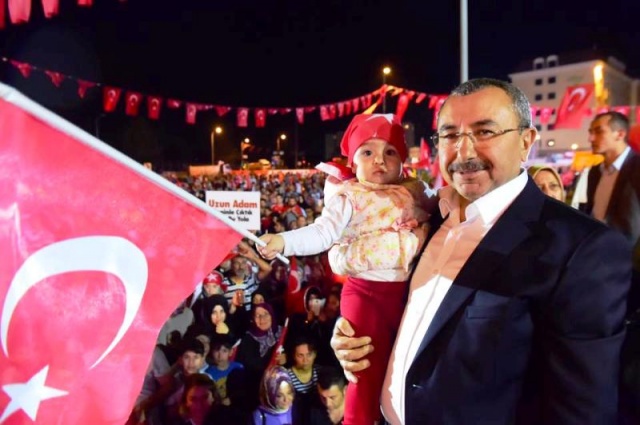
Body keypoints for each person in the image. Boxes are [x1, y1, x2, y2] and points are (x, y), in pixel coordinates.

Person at [331, 78, 632, 425]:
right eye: (450, 135)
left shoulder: (580, 248)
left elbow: (582, 411)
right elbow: (413, 317)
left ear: (525, 142)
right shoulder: (422, 220)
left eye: (484, 132)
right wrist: (354, 338)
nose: (464, 151)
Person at [258, 113, 433, 425]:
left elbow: (445, 206)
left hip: (407, 293)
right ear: (353, 162)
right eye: (368, 152)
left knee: (403, 371)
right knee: (364, 373)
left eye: (389, 152)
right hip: (366, 293)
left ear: (402, 160)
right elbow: (322, 232)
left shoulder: (413, 191)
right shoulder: (348, 196)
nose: (379, 160)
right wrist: (283, 241)